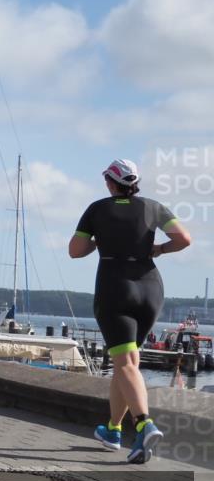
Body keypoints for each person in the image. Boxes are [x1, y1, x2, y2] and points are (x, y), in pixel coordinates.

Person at [69, 158, 191, 463]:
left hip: (115, 289)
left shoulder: (97, 209)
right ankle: (112, 430)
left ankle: (144, 424)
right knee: (128, 362)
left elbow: (75, 251)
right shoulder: (154, 207)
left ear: (111, 182)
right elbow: (183, 238)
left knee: (124, 363)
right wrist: (160, 249)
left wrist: (97, 240)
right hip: (150, 290)